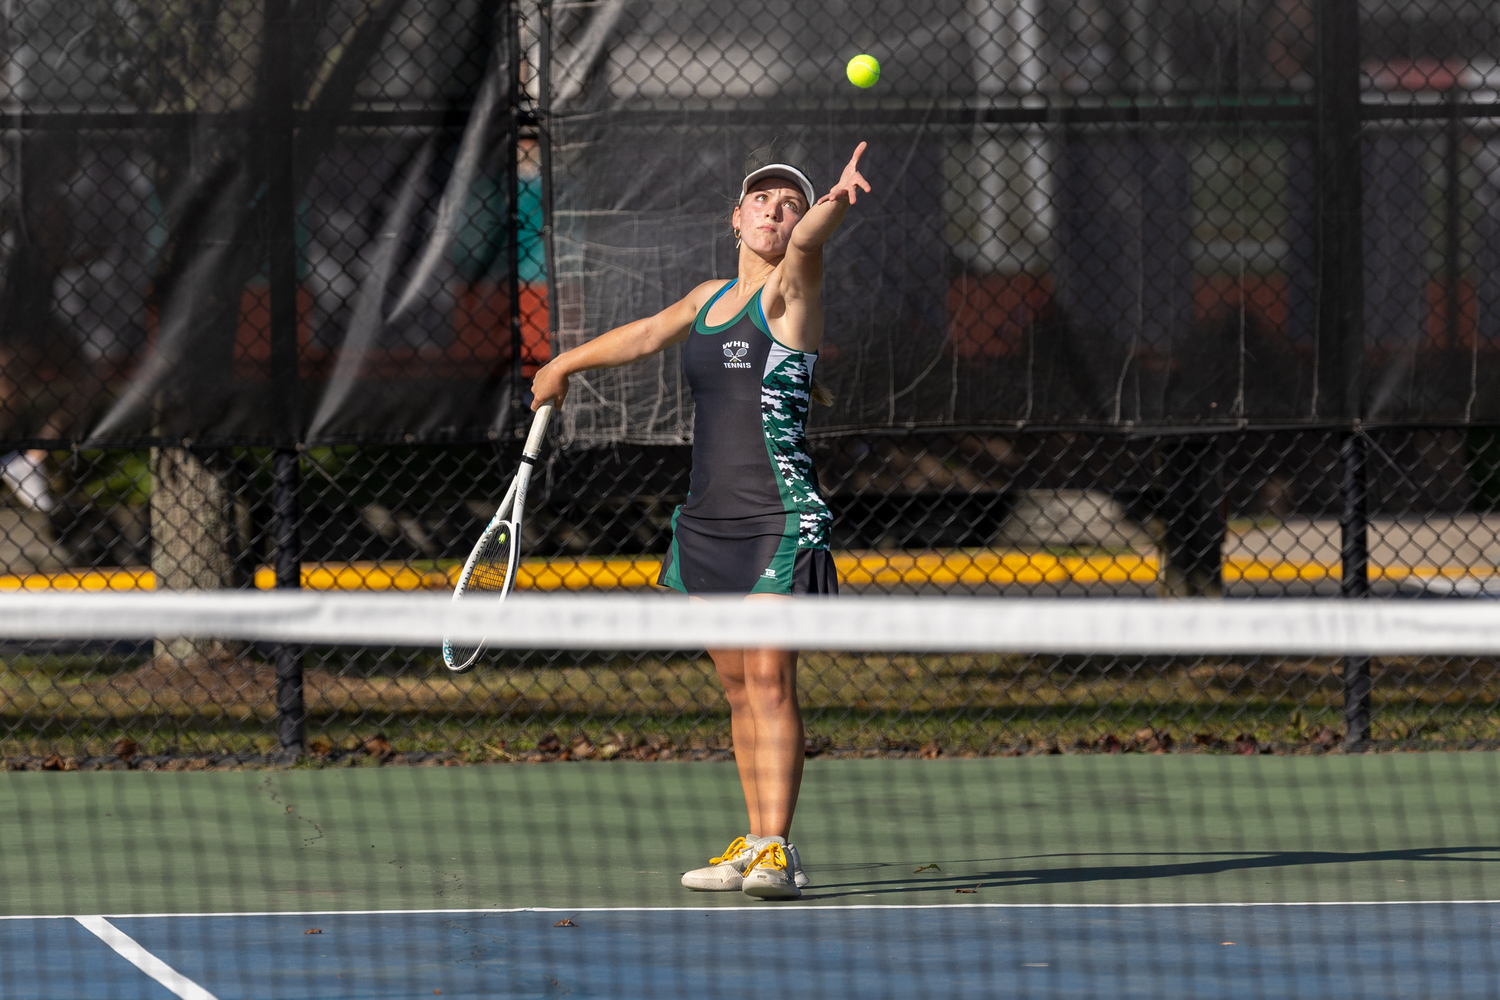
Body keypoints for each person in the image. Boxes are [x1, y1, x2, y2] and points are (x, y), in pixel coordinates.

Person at [529, 143, 871, 900]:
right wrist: (563, 366)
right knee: (738, 690)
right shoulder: (708, 297)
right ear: (736, 217)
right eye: (762, 201)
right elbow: (649, 333)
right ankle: (754, 841)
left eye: (790, 203)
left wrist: (835, 203)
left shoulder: (793, 291)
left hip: (779, 514)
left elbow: (812, 241)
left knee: (770, 681)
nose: (776, 212)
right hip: (708, 520)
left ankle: (778, 850)